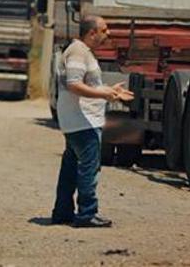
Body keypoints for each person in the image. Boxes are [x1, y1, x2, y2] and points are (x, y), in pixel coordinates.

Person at [51, 15, 133, 228]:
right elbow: (74, 84)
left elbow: (83, 84)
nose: (108, 34)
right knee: (89, 168)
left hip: (76, 120)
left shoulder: (79, 51)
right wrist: (104, 95)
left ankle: (62, 211)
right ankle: (87, 213)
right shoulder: (78, 52)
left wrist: (108, 90)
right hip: (83, 121)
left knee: (70, 167)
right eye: (104, 30)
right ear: (91, 33)